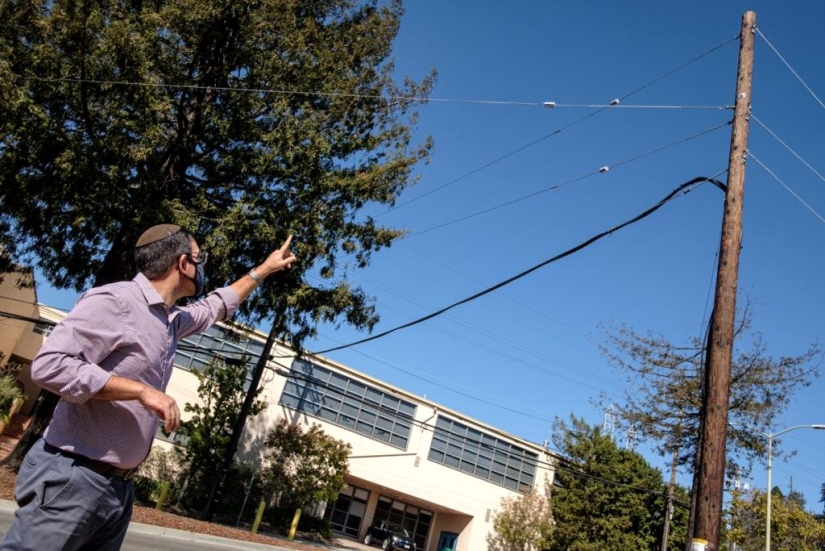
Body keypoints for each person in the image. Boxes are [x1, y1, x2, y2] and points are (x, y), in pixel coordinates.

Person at [0, 223, 297, 550]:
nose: (202, 268)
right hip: (72, 476)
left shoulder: (168, 320)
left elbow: (214, 307)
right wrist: (141, 390)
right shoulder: (117, 301)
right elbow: (50, 365)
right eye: (201, 259)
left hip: (117, 490)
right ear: (183, 264)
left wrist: (264, 270)